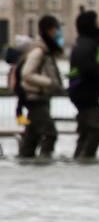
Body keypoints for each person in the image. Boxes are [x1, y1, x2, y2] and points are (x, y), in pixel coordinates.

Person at [68, 10, 99, 159]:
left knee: (86, 132)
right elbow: (88, 69)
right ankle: (85, 158)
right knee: (98, 130)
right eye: (96, 23)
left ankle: (80, 158)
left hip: (85, 94)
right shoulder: (85, 45)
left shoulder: (90, 43)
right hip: (85, 95)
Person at [17, 15, 63, 158]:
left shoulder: (45, 50)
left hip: (39, 98)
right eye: (56, 29)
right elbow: (26, 74)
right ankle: (43, 165)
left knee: (32, 136)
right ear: (49, 30)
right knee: (50, 134)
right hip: (35, 98)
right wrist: (49, 83)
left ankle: (25, 163)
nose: (57, 33)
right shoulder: (39, 51)